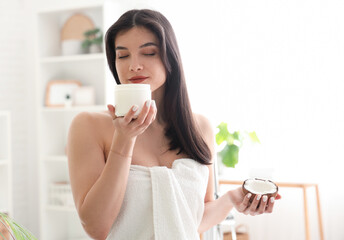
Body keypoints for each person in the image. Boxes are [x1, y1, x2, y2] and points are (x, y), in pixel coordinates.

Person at [67, 9, 280, 240]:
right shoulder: (89, 126)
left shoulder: (200, 128)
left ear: (171, 58)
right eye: (123, 55)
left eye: (148, 52)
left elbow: (192, 220)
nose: (134, 65)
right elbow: (96, 228)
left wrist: (231, 198)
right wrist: (124, 141)